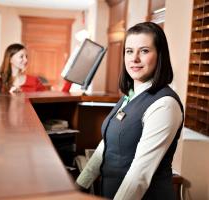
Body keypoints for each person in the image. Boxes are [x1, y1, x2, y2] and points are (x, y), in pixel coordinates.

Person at [76, 22, 184, 200]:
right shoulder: (130, 96)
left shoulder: (165, 104)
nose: (134, 58)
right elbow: (106, 145)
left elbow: (140, 173)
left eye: (144, 51)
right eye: (129, 51)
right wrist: (80, 185)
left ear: (160, 56)